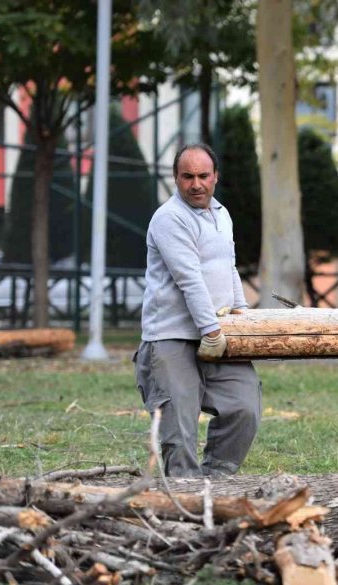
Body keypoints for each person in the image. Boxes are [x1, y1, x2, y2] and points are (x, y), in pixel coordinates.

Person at [134, 143, 261, 477]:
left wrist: (241, 314)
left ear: (215, 176)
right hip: (172, 338)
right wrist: (211, 331)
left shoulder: (221, 214)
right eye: (187, 176)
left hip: (217, 332)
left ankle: (215, 481)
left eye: (203, 175)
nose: (196, 184)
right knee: (179, 431)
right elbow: (189, 279)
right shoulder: (170, 218)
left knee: (245, 407)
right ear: (176, 178)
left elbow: (229, 267)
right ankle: (184, 496)